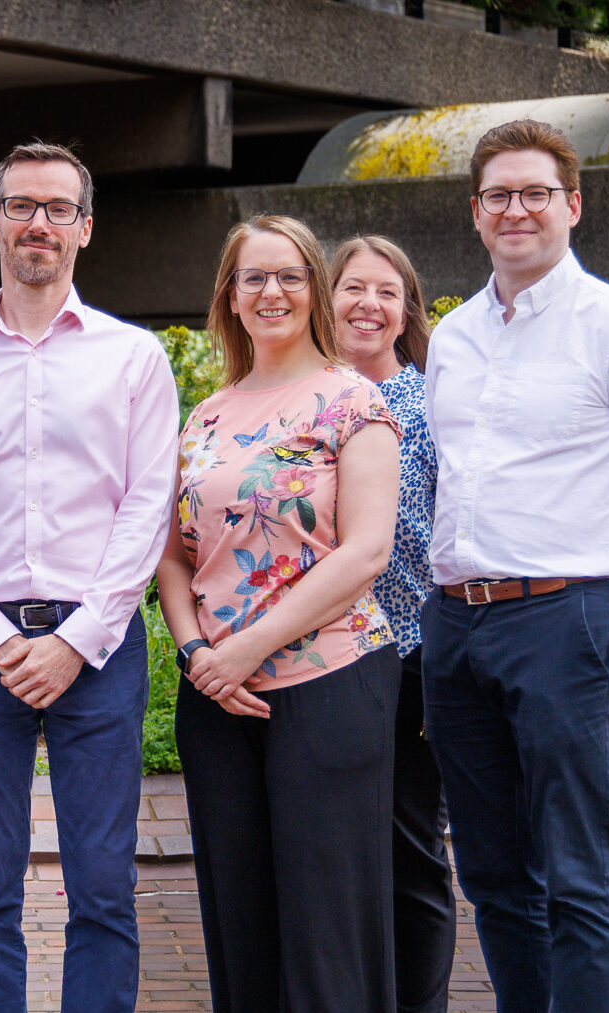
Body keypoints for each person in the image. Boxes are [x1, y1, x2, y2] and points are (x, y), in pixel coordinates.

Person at [422, 119, 609, 1013]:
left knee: (579, 874)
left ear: (572, 206)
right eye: (499, 194)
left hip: (568, 617)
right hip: (457, 622)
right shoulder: (456, 337)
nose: (517, 209)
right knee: (494, 872)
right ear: (476, 214)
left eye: (536, 192)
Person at [0, 141, 178, 1013]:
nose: (39, 224)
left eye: (58, 209)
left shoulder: (133, 359)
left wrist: (76, 638)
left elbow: (147, 506)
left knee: (102, 886)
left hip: (98, 648)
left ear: (85, 229)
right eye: (22, 206)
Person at [156, 214, 402, 1012]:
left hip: (329, 683)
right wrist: (199, 656)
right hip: (216, 697)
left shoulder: (352, 400)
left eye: (290, 276)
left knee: (327, 926)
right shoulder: (206, 415)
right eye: (253, 277)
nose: (272, 292)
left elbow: (366, 552)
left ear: (314, 291)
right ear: (229, 295)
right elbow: (172, 555)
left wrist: (245, 649)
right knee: (239, 924)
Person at [331, 235, 455, 1013]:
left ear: (407, 310)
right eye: (353, 288)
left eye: (387, 291)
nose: (369, 304)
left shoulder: (433, 403)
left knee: (411, 851)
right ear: (326, 296)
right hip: (319, 663)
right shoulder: (300, 398)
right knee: (337, 857)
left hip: (409, 659)